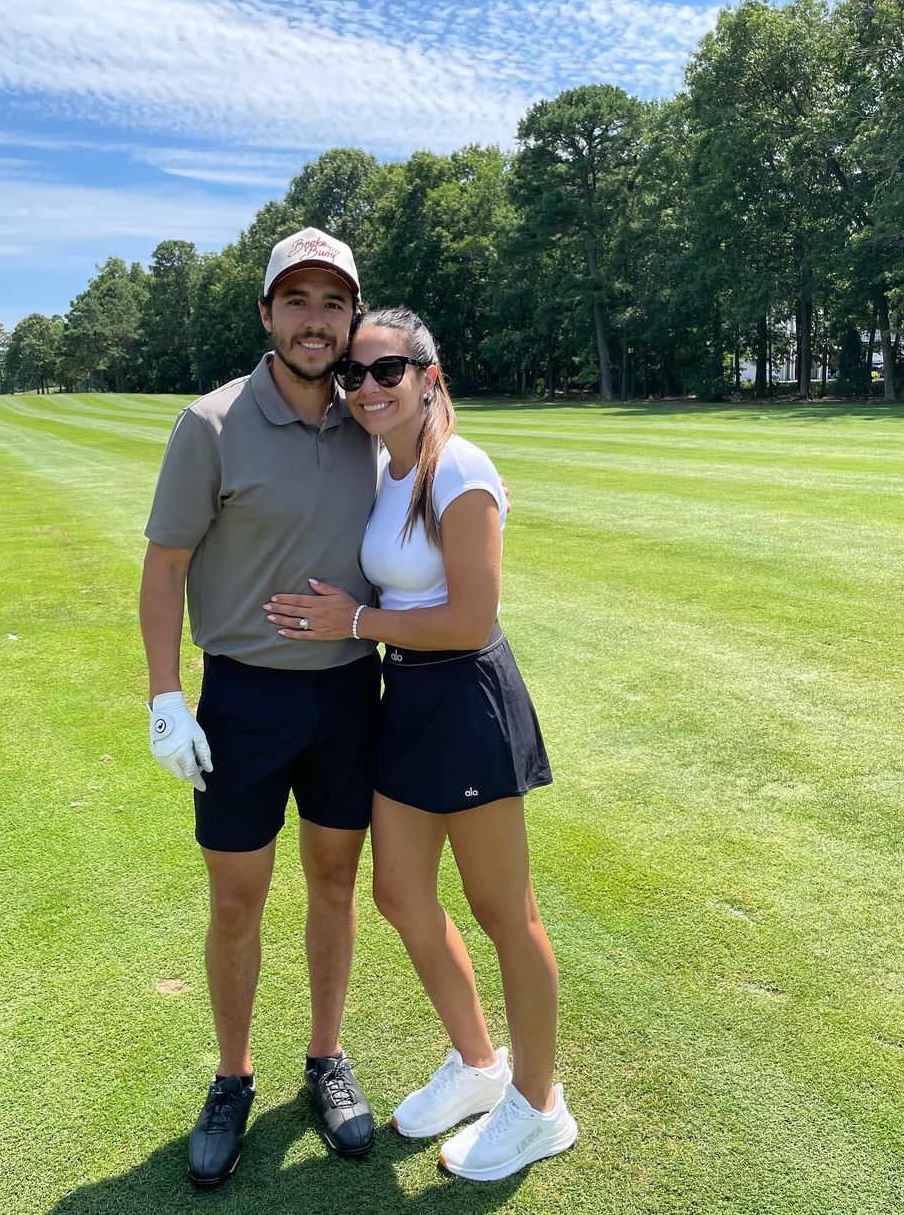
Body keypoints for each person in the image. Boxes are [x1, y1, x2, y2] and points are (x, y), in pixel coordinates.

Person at [264, 306, 577, 1182]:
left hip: (467, 698)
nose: (366, 387)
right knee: (401, 894)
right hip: (406, 696)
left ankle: (539, 1106)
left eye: (387, 370)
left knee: (503, 912)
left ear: (428, 376)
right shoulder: (388, 467)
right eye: (352, 375)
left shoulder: (458, 470)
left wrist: (353, 621)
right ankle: (481, 1066)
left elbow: (474, 616)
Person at [139, 227, 381, 1189]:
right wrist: (166, 696)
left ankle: (325, 1057)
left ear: (350, 316)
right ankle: (233, 1075)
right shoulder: (213, 423)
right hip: (242, 698)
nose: (315, 322)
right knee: (237, 899)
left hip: (350, 694)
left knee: (334, 883)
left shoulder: (373, 415)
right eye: (297, 302)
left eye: (332, 303)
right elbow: (165, 565)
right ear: (266, 314)